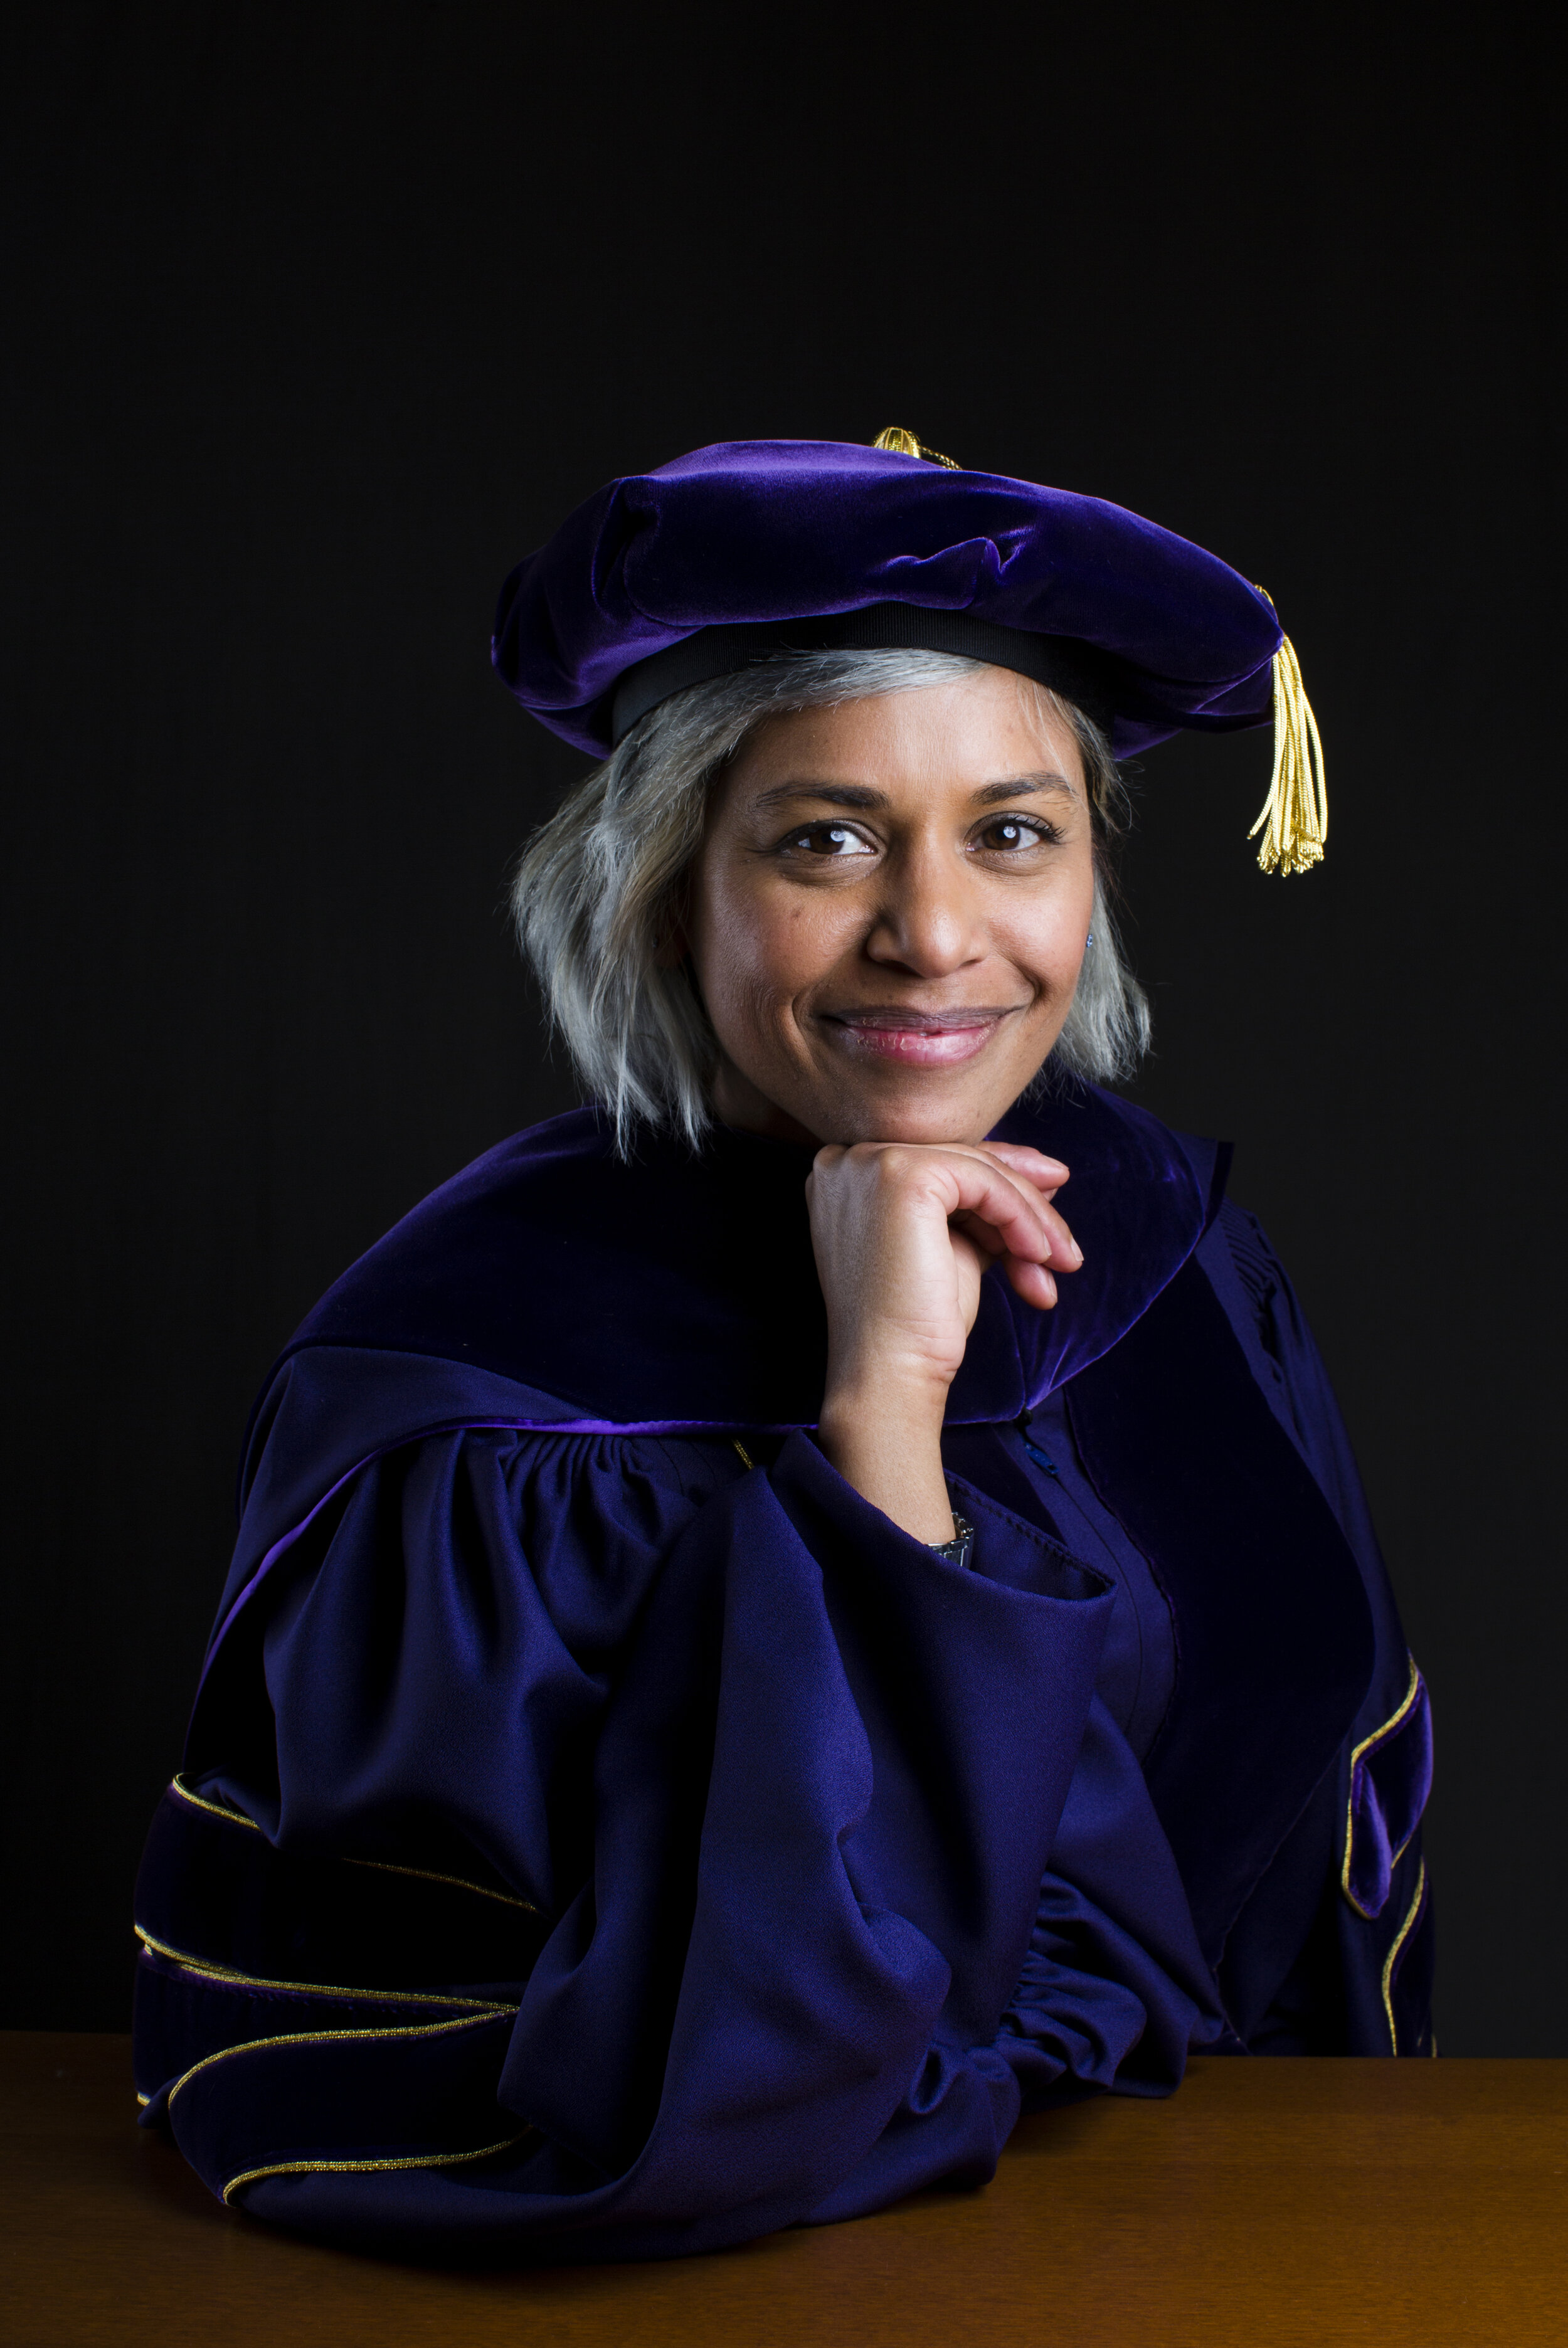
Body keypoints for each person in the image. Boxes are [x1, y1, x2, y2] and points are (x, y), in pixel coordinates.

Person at [132, 431, 1433, 2261]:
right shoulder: (482, 1408)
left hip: (1219, 2235)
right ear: (668, 892)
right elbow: (722, 2080)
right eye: (824, 839)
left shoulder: (1162, 1240)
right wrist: (881, 1403)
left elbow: (1320, 1834)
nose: (933, 935)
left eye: (1010, 833)